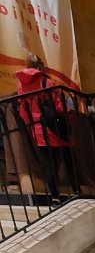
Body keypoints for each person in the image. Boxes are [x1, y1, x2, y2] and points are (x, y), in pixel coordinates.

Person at [15, 53, 76, 204]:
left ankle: (54, 197)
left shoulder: (21, 86)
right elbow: (59, 106)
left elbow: (23, 111)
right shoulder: (46, 82)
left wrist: (31, 125)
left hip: (37, 129)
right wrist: (69, 114)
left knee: (49, 165)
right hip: (54, 127)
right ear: (40, 65)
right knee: (68, 158)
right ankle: (77, 191)